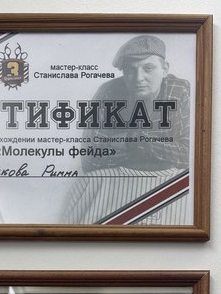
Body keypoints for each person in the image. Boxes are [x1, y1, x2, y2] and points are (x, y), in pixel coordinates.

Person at [63, 35, 190, 224]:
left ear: (164, 69)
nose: (138, 78)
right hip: (116, 184)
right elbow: (90, 159)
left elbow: (189, 156)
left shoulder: (180, 90)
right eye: (130, 70)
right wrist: (157, 148)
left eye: (148, 68)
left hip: (167, 184)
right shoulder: (108, 92)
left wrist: (132, 141)